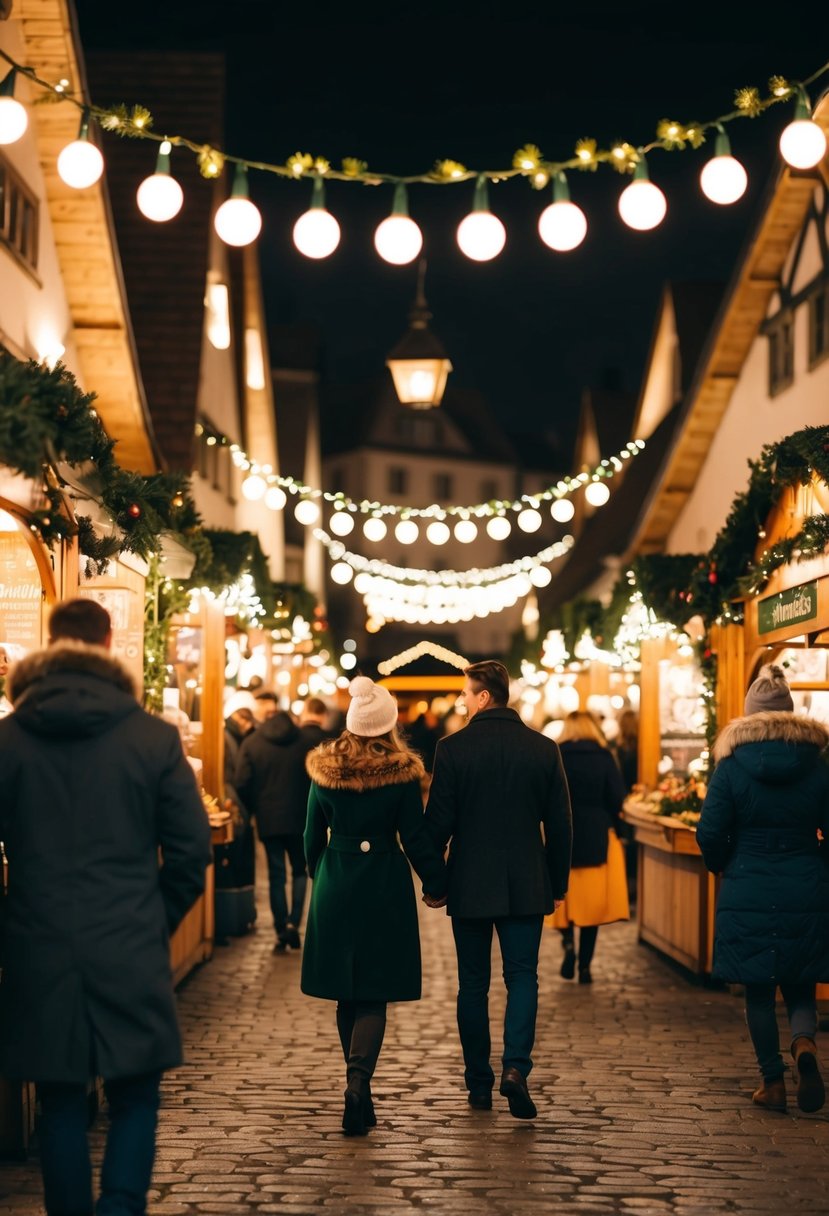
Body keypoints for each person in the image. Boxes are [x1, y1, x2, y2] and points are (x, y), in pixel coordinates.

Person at [0, 598, 211, 1216]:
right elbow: (191, 847)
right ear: (109, 643)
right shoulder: (152, 737)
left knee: (62, 1101)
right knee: (135, 1095)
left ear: (49, 645)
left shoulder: (9, 740)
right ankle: (120, 1207)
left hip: (39, 940)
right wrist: (154, 918)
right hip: (128, 938)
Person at [423, 660, 572, 1119]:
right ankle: (515, 1069)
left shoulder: (452, 749)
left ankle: (479, 1084)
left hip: (470, 882)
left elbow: (436, 827)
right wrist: (558, 882)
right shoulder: (543, 748)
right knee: (523, 976)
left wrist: (435, 883)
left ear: (484, 696)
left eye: (466, 693)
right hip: (526, 881)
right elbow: (562, 825)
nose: (462, 701)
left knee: (473, 985)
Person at [301, 676, 446, 1136]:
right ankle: (358, 1083)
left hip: (336, 878)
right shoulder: (402, 773)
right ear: (389, 724)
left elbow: (310, 835)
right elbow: (416, 836)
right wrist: (436, 882)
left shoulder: (324, 769)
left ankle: (354, 1085)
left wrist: (317, 872)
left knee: (346, 988)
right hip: (384, 878)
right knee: (374, 989)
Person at [696, 663, 829, 1114]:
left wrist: (724, 866)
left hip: (747, 882)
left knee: (757, 991)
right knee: (800, 983)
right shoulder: (818, 766)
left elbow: (710, 831)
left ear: (749, 715)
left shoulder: (732, 767)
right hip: (805, 883)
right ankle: (805, 1044)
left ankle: (772, 1083)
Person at [549, 711, 630, 984]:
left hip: (564, 831)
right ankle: (585, 966)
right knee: (592, 904)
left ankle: (568, 943)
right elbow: (617, 797)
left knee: (564, 897)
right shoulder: (604, 756)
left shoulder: (556, 754)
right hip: (597, 832)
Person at [236, 707, 320, 952]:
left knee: (276, 874)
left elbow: (241, 782)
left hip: (268, 818)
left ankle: (281, 927)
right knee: (300, 871)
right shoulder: (307, 742)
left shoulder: (252, 743)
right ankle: (294, 923)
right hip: (300, 817)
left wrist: (256, 807)